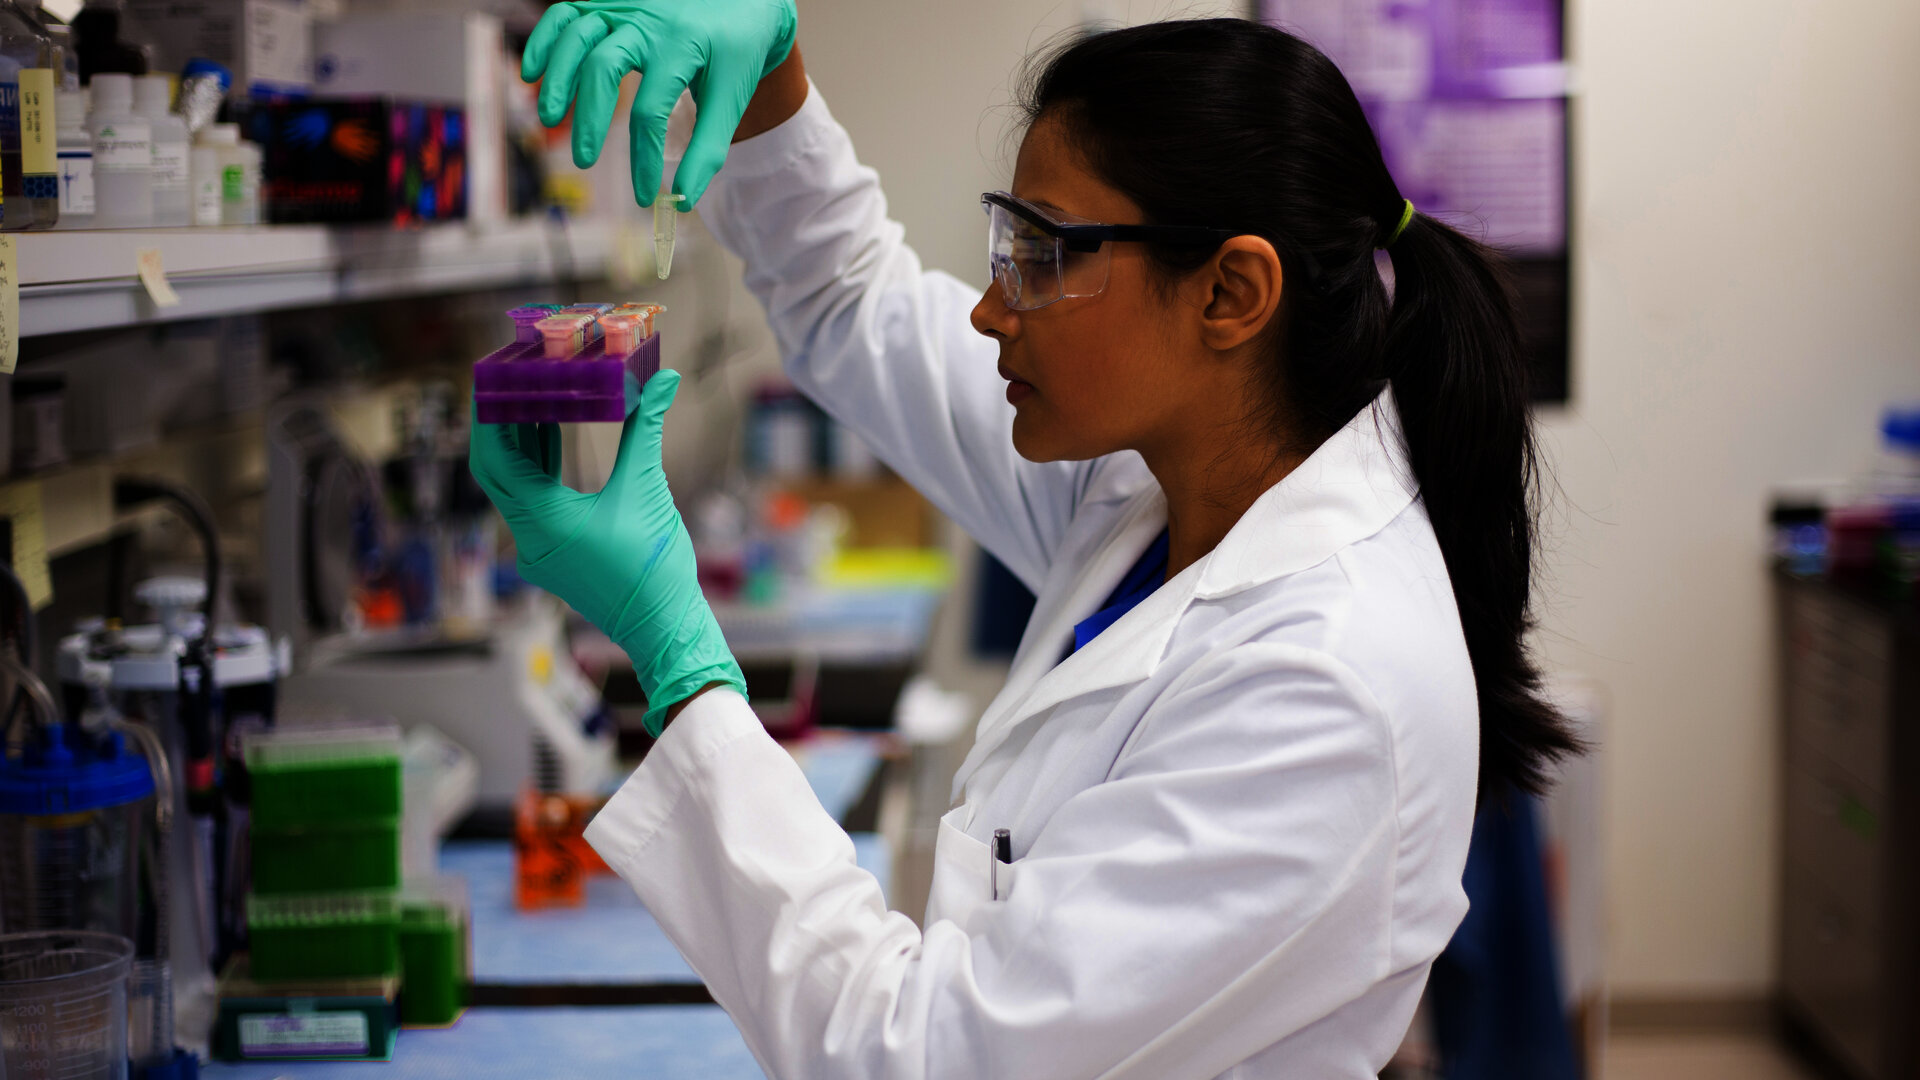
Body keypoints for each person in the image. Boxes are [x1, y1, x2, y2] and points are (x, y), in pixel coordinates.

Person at [469, 8, 1580, 1077]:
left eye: (1042, 255)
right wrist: (773, 73)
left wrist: (680, 660)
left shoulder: (1328, 682)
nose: (993, 309)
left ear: (1232, 292)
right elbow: (851, 302)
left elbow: (922, 1062)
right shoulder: (1162, 493)